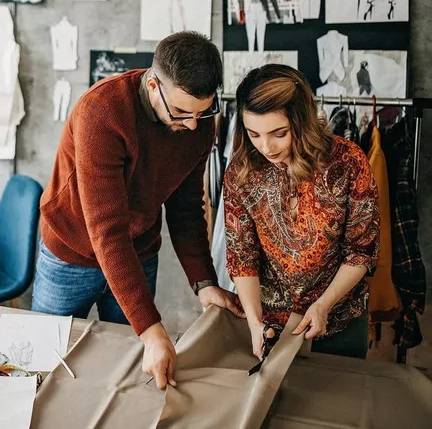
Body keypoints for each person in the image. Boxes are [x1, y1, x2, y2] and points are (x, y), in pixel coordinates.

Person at [33, 31, 245, 390]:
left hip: (138, 252)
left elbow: (187, 210)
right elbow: (107, 230)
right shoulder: (102, 112)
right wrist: (151, 329)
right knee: (43, 364)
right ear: (151, 85)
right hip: (70, 254)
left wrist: (205, 282)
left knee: (130, 372)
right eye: (180, 112)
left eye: (202, 111)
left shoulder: (199, 121)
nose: (192, 125)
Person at [224, 64, 379, 360]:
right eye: (253, 134)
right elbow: (242, 256)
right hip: (270, 321)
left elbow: (361, 250)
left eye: (278, 133)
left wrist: (324, 304)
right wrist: (255, 322)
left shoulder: (348, 162)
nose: (266, 146)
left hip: (339, 315)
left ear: (302, 122)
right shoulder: (242, 171)